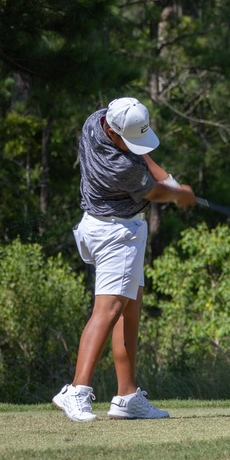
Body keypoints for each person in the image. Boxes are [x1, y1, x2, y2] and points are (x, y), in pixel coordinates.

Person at [52, 97, 196, 422]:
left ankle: (127, 396)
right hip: (118, 236)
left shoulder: (96, 121)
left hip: (97, 225)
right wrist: (177, 194)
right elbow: (153, 191)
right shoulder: (122, 167)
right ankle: (76, 390)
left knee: (129, 310)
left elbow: (143, 155)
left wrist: (172, 182)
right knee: (111, 309)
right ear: (115, 133)